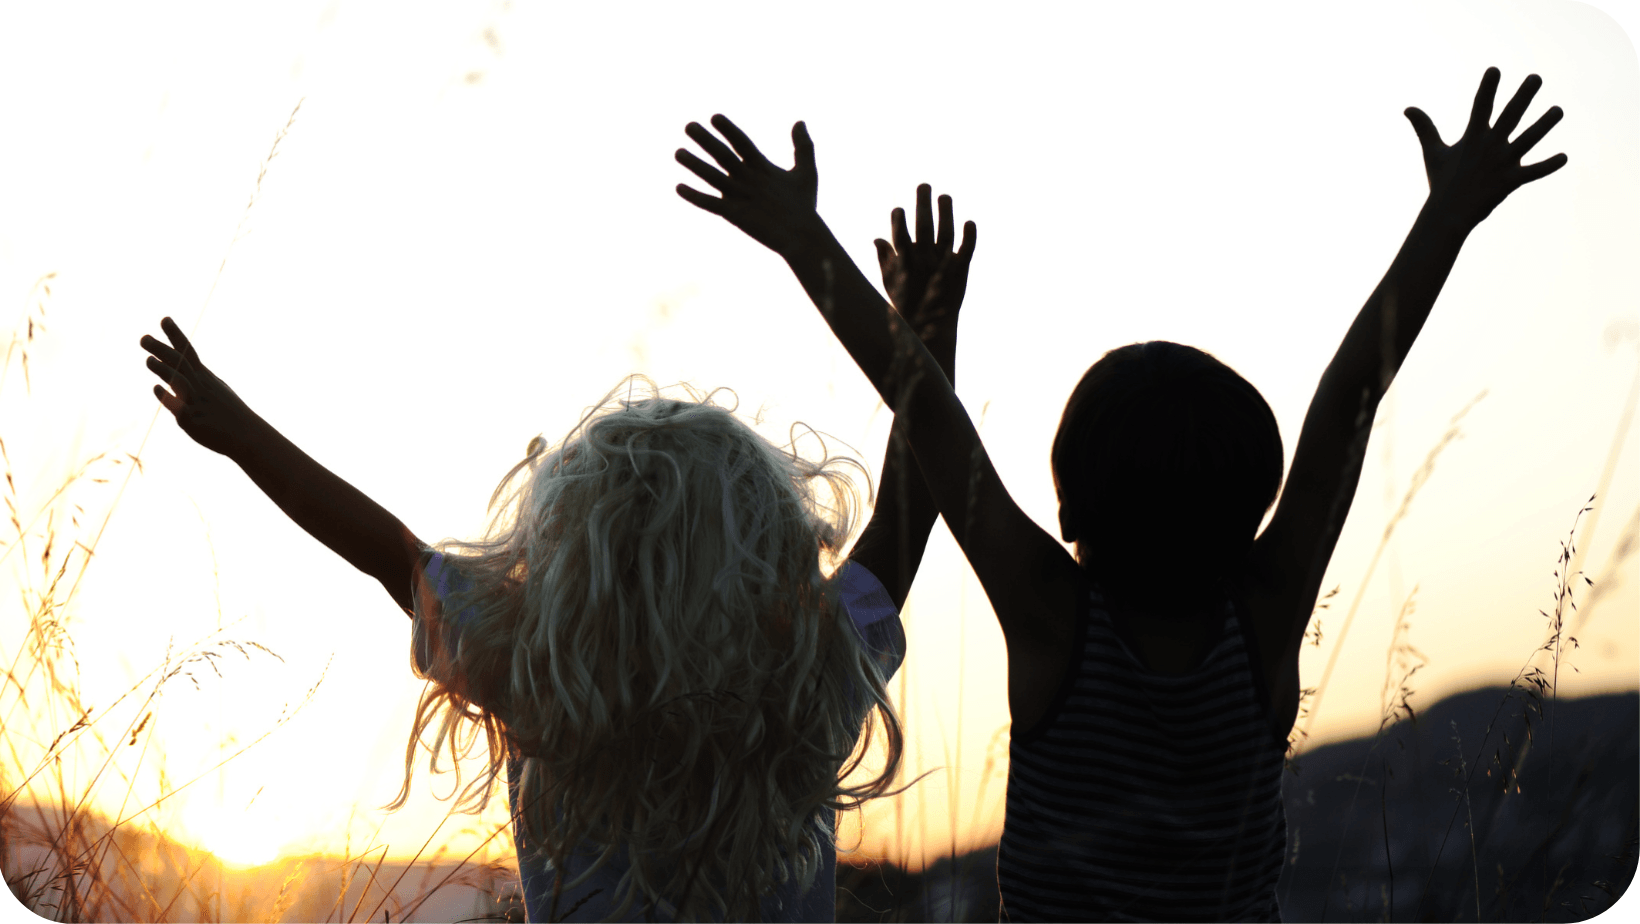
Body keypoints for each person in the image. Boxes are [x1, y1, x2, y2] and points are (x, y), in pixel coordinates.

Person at [675, 67, 1565, 921]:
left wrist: (812, 244)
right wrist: (1449, 215)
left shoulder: (1053, 620)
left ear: (1068, 513)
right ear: (1252, 510)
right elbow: (1350, 401)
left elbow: (928, 412)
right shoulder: (1262, 617)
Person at [137, 197, 973, 921]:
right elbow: (911, 499)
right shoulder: (804, 680)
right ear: (756, 547)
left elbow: (382, 548)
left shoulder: (538, 675)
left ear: (577, 549)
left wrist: (238, 433)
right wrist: (927, 336)